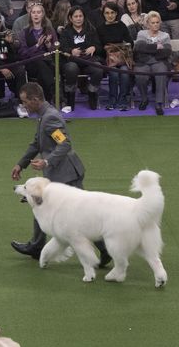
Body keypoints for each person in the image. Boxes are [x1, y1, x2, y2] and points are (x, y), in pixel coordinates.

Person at [10, 82, 111, 266]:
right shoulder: (43, 116)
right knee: (39, 204)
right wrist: (21, 164)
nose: (23, 105)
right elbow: (37, 143)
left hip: (66, 174)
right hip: (59, 173)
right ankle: (37, 245)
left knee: (82, 215)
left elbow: (65, 144)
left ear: (35, 99)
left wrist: (47, 161)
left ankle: (105, 249)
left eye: (25, 101)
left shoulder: (50, 118)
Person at [59, 6, 102, 113]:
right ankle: (70, 96)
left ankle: (92, 93)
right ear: (70, 18)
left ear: (84, 17)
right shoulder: (65, 32)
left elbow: (99, 46)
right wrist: (71, 51)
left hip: (88, 61)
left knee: (98, 69)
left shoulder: (91, 30)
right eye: (76, 16)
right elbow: (62, 48)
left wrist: (94, 47)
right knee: (71, 68)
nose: (78, 19)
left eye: (80, 16)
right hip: (72, 61)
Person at [133, 10, 172, 116]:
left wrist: (148, 51)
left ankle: (158, 103)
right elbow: (139, 48)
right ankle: (144, 99)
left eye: (157, 22)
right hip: (143, 62)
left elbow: (167, 52)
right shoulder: (141, 33)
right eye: (153, 23)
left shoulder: (165, 36)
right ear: (147, 24)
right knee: (140, 74)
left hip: (158, 62)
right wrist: (156, 47)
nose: (155, 25)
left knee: (161, 72)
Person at [17, 3, 57, 103]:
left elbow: (56, 51)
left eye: (38, 12)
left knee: (43, 66)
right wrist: (37, 46)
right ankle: (53, 92)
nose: (36, 15)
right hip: (31, 64)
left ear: (42, 14)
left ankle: (44, 98)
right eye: (33, 12)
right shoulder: (24, 32)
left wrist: (48, 45)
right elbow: (22, 53)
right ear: (30, 15)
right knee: (40, 63)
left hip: (48, 62)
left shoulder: (50, 30)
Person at [99, 1, 133, 111]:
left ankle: (123, 99)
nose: (110, 15)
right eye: (107, 13)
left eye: (112, 13)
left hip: (122, 59)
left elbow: (130, 43)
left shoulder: (121, 26)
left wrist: (119, 47)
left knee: (124, 72)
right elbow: (98, 47)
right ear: (103, 14)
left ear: (116, 13)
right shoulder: (100, 28)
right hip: (107, 60)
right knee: (113, 73)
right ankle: (112, 99)